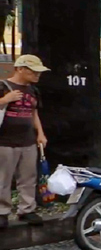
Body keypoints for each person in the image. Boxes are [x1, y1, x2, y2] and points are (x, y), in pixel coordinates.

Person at [0, 55, 49, 228]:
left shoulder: (33, 90)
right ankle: (2, 212)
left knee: (28, 177)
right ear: (20, 69)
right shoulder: (3, 86)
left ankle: (26, 209)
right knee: (3, 178)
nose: (37, 75)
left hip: (28, 141)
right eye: (33, 71)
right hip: (4, 141)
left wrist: (40, 133)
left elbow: (34, 113)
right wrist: (5, 100)